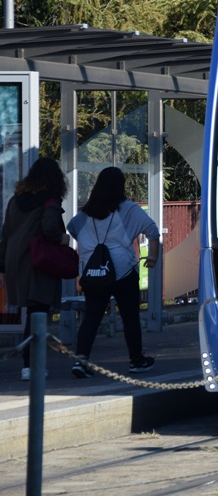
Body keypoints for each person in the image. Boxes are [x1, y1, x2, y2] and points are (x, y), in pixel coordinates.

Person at [67, 167, 160, 378]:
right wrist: (152, 257)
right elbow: (152, 230)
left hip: (94, 272)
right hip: (123, 270)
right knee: (130, 317)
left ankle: (80, 362)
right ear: (121, 186)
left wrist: (91, 244)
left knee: (91, 317)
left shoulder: (86, 213)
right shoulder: (128, 209)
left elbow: (71, 228)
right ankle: (136, 361)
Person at [0, 157, 69, 381]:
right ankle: (31, 365)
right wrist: (61, 239)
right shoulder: (50, 200)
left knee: (31, 311)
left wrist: (3, 265)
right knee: (37, 312)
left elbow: (5, 233)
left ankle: (29, 364)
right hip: (38, 260)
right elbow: (49, 227)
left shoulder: (15, 200)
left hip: (15, 260)